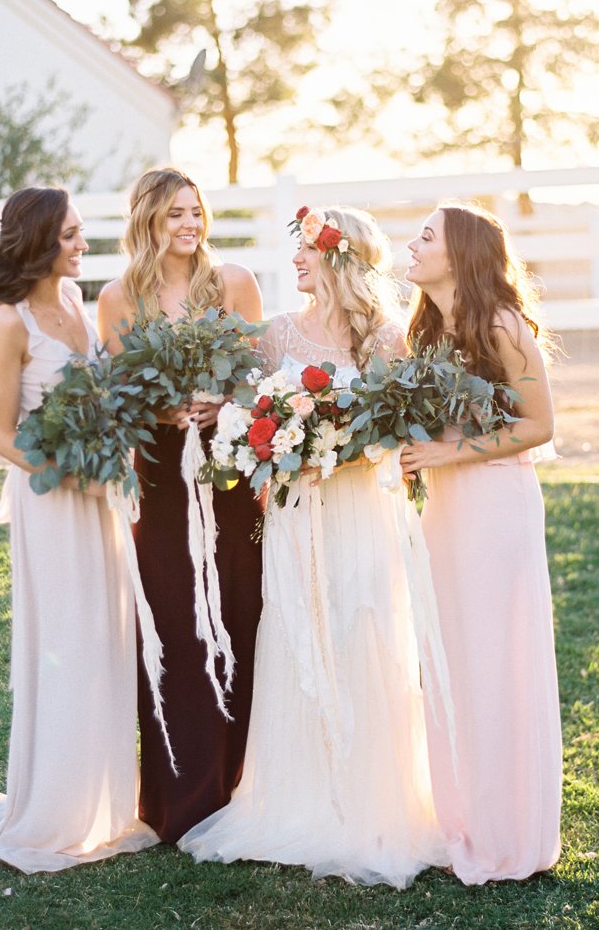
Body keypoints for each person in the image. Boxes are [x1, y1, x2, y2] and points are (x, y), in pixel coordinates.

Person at [179, 206, 446, 889]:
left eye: (305, 251)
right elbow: (246, 416)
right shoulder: (275, 335)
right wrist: (252, 432)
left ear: (339, 259)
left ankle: (367, 802)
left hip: (359, 508)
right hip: (296, 514)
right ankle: (300, 795)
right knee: (300, 633)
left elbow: (400, 431)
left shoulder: (387, 338)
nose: (294, 261)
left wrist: (330, 449)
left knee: (362, 628)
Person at [0, 186, 156, 872]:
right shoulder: (8, 322)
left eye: (82, 234)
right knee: (68, 636)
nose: (83, 245)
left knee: (105, 633)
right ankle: (55, 805)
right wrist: (66, 470)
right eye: (72, 236)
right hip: (52, 497)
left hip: (97, 489)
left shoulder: (78, 303)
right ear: (41, 240)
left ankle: (101, 798)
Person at [97, 166, 264, 844]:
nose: (190, 225)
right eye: (174, 214)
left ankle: (239, 784)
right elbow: (116, 394)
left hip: (226, 469)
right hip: (161, 475)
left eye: (196, 212)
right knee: (172, 624)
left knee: (236, 613)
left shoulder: (233, 285)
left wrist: (223, 402)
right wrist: (159, 405)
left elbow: (260, 382)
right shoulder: (117, 298)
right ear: (147, 221)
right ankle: (178, 799)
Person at [399, 201, 562, 885]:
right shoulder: (428, 333)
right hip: (447, 506)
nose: (412, 243)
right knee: (454, 656)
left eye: (426, 236)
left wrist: (447, 449)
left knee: (497, 660)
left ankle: (508, 830)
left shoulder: (501, 323)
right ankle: (461, 815)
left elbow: (539, 424)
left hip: (496, 503)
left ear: (458, 252)